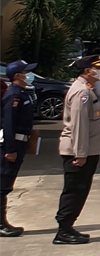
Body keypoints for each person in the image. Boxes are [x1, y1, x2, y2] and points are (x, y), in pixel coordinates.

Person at [55, 56, 100, 245]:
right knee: (74, 190)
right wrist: (80, 154)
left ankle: (68, 227)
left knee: (80, 190)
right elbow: (79, 125)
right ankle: (63, 231)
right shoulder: (81, 92)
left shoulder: (87, 89)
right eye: (98, 68)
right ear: (88, 71)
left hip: (87, 151)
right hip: (78, 152)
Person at [2, 60, 38, 237]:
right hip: (12, 144)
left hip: (20, 142)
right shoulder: (13, 95)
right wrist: (10, 149)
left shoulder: (21, 93)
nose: (28, 76)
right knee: (2, 185)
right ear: (17, 76)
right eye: (25, 73)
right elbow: (8, 124)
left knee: (6, 184)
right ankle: (1, 224)